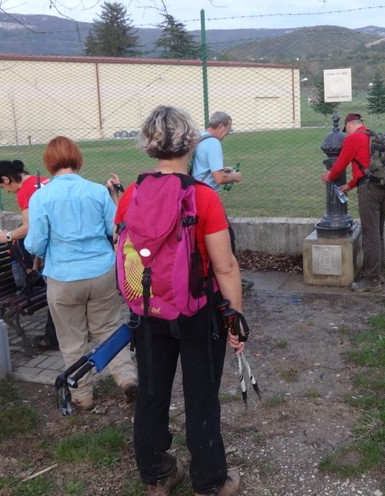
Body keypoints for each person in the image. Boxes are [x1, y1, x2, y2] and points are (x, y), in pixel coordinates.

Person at [117, 105, 244, 496]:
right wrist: (235, 317)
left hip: (147, 309)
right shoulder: (203, 197)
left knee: (152, 393)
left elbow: (126, 253)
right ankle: (209, 482)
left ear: (149, 144)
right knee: (201, 395)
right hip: (198, 311)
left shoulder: (131, 195)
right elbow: (224, 266)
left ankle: (157, 475)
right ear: (191, 142)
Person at [24, 137, 138, 410]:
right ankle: (127, 378)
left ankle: (82, 394)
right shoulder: (97, 192)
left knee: (72, 339)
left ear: (49, 163)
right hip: (101, 272)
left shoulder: (40, 197)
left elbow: (36, 243)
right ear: (78, 158)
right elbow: (113, 230)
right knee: (109, 328)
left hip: (63, 278)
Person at [0, 160, 58, 351]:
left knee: (54, 294)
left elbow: (30, 227)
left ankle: (51, 338)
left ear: (6, 179)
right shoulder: (42, 180)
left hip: (53, 250)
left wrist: (8, 236)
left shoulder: (24, 192)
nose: (6, 191)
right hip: (62, 242)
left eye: (3, 186)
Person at [320, 112, 385, 293]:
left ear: (349, 125)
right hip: (384, 188)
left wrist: (330, 176)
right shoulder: (373, 136)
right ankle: (378, 273)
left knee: (370, 234)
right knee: (378, 232)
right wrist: (349, 186)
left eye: (347, 130)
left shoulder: (353, 138)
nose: (346, 133)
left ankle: (372, 280)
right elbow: (365, 169)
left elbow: (340, 164)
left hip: (369, 191)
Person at [191, 111, 253, 291]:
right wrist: (233, 176)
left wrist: (221, 169)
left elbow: (200, 168)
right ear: (221, 126)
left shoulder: (199, 138)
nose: (228, 133)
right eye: (228, 129)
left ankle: (208, 276)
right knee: (227, 240)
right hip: (207, 199)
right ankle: (230, 282)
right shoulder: (213, 143)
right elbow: (218, 179)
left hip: (194, 195)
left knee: (202, 240)